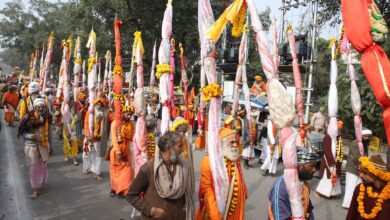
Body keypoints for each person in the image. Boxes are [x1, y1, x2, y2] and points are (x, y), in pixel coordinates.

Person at [127, 131, 195, 220]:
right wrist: (150, 210)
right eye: (180, 146)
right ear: (168, 148)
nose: (183, 150)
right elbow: (131, 195)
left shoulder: (183, 166)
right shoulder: (148, 168)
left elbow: (187, 194)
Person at [196, 127, 247, 220]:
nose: (236, 144)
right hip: (215, 211)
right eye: (232, 142)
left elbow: (240, 176)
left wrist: (244, 191)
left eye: (236, 141)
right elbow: (208, 191)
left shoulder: (234, 157)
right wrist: (215, 216)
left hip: (233, 208)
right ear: (221, 144)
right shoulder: (208, 161)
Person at [268, 147, 320, 220]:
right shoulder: (281, 188)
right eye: (311, 166)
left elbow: (308, 209)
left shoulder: (304, 185)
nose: (314, 169)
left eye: (315, 166)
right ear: (298, 166)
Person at [18, 98, 51, 199]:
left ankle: (40, 185)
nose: (41, 108)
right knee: (33, 168)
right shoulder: (28, 118)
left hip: (43, 146)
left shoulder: (46, 118)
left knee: (42, 166)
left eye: (42, 106)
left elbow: (49, 133)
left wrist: (51, 146)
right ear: (35, 107)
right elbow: (22, 132)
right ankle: (35, 189)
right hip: (31, 147)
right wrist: (29, 136)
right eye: (39, 106)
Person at [346, 155, 390, 220]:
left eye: (365, 173)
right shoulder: (359, 188)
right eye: (361, 172)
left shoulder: (388, 193)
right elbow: (351, 214)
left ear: (374, 175)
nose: (360, 175)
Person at [83, 98, 114, 180]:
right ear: (94, 105)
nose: (99, 106)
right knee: (87, 154)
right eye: (97, 104)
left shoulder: (105, 113)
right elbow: (86, 124)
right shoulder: (90, 113)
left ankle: (96, 172)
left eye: (101, 105)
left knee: (98, 156)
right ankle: (87, 168)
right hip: (89, 137)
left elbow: (113, 118)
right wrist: (87, 134)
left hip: (99, 139)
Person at [109, 105, 135, 197]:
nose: (129, 116)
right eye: (128, 114)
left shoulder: (131, 124)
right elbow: (114, 139)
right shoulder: (115, 123)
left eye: (131, 115)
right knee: (116, 172)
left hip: (126, 151)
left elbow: (133, 138)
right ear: (123, 113)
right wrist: (118, 152)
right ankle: (115, 189)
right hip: (116, 152)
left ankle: (125, 190)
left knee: (127, 171)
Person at [316, 120, 343, 198]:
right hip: (328, 160)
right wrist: (331, 161)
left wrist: (338, 159)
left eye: (339, 130)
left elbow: (340, 149)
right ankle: (320, 191)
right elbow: (327, 151)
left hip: (336, 160)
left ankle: (332, 193)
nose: (338, 131)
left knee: (334, 176)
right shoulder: (327, 137)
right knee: (326, 177)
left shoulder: (338, 137)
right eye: (337, 129)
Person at [342, 133, 365, 208]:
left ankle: (353, 204)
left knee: (355, 187)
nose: (367, 138)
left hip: (357, 169)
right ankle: (347, 204)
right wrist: (366, 161)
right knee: (351, 187)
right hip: (352, 168)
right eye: (366, 136)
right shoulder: (355, 143)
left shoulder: (362, 144)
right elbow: (356, 157)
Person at [63, 100, 80, 165]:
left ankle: (74, 159)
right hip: (67, 130)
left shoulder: (78, 113)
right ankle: (67, 156)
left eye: (75, 106)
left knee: (75, 145)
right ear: (70, 106)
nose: (74, 107)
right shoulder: (67, 113)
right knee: (67, 144)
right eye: (73, 106)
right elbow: (65, 123)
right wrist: (67, 132)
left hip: (74, 132)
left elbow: (79, 123)